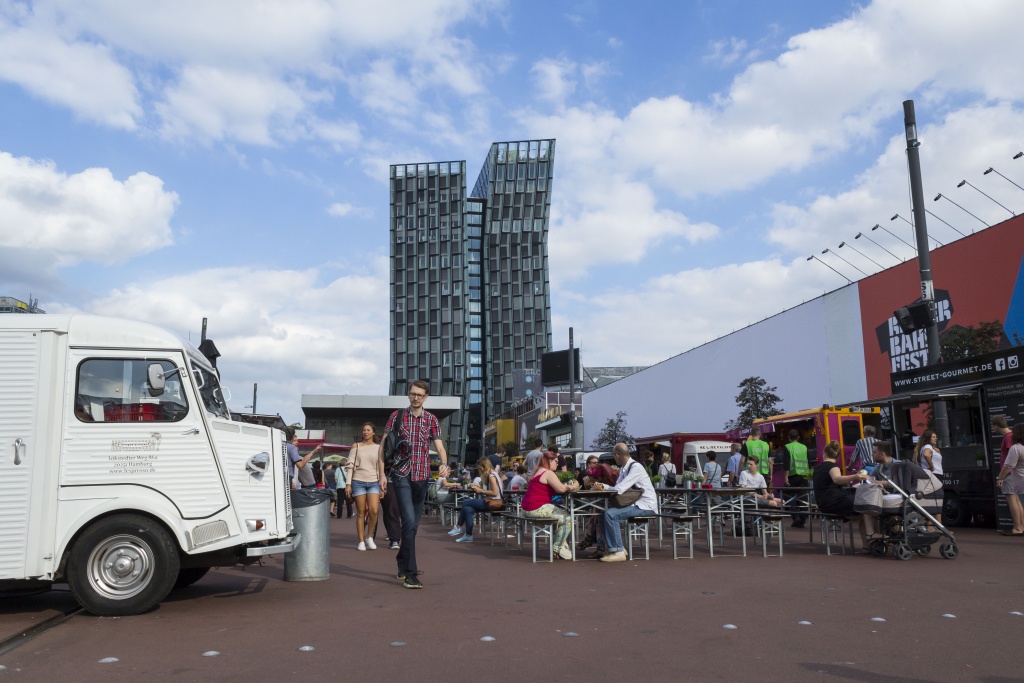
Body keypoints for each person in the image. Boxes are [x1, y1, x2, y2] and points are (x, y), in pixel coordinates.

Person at [386, 379, 448, 589]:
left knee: (412, 527)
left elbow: (439, 447)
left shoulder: (431, 419)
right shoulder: (397, 416)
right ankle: (411, 573)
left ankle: (401, 564)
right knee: (409, 522)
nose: (415, 398)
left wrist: (444, 464)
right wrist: (381, 475)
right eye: (413, 394)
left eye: (420, 395)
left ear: (426, 397)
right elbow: (383, 447)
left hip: (422, 476)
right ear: (408, 394)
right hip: (401, 474)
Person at [593, 443, 657, 563]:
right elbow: (617, 487)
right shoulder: (624, 468)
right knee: (602, 515)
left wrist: (605, 487)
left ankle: (618, 551)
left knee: (611, 514)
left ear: (617, 455)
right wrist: (603, 486)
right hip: (636, 503)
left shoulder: (636, 467)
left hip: (646, 505)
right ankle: (615, 548)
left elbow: (620, 489)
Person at [521, 452, 579, 559]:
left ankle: (560, 542)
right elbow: (561, 489)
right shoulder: (548, 473)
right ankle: (557, 548)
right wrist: (573, 486)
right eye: (556, 461)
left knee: (559, 517)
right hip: (536, 508)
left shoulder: (537, 471)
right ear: (549, 461)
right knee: (568, 518)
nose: (557, 464)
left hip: (526, 508)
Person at [813, 440, 870, 549]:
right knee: (867, 507)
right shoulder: (833, 467)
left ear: (824, 453)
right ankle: (871, 540)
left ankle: (868, 543)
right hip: (834, 502)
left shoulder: (818, 468)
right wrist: (855, 476)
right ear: (838, 456)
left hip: (823, 504)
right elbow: (837, 479)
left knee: (863, 512)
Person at [345, 422, 386, 551]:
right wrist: (348, 484)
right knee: (361, 513)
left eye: (368, 430)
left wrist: (382, 485)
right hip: (358, 481)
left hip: (374, 481)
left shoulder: (378, 448)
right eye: (364, 430)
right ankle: (361, 541)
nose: (365, 432)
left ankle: (369, 537)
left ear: (373, 432)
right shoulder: (356, 446)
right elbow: (350, 466)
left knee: (374, 511)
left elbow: (380, 467)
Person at [448, 457, 503, 543]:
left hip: (493, 503)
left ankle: (458, 527)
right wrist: (478, 487)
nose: (480, 470)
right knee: (468, 509)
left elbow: (495, 493)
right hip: (492, 502)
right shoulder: (494, 474)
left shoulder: (492, 476)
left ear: (484, 466)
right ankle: (468, 535)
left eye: (480, 468)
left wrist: (481, 490)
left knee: (466, 502)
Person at [995, 423, 1024, 536]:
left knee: (1014, 501)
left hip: (1019, 481)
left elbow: (1008, 466)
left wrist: (1000, 477)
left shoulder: (1016, 448)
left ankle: (1017, 528)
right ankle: (1021, 527)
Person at [781, 429, 811, 528]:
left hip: (792, 476)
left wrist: (786, 477)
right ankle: (802, 520)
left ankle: (795, 517)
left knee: (790, 497)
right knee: (803, 498)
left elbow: (786, 464)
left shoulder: (787, 447)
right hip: (804, 475)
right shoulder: (804, 447)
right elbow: (808, 462)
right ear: (798, 437)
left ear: (789, 438)